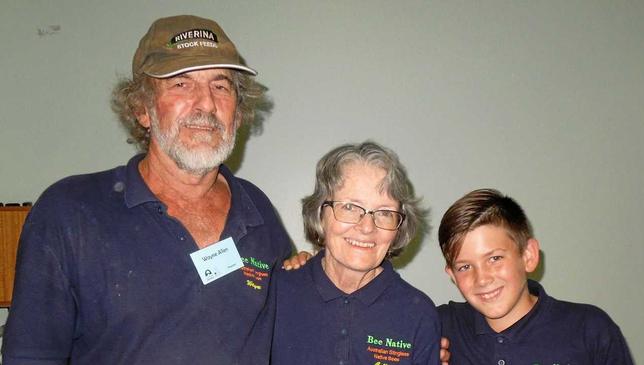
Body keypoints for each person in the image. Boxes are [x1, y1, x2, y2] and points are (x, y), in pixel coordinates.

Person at [1, 15, 292, 364]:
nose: (206, 104)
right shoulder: (69, 213)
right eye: (181, 85)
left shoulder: (256, 209)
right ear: (142, 109)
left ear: (238, 112)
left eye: (221, 86)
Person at [271, 141, 441, 365]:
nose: (367, 227)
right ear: (320, 212)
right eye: (350, 207)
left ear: (399, 226)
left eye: (384, 212)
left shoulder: (418, 314)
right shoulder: (275, 294)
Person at [437, 188, 634, 364]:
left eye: (495, 258)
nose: (482, 279)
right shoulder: (436, 324)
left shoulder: (589, 330)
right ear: (452, 275)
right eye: (464, 267)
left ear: (528, 255)